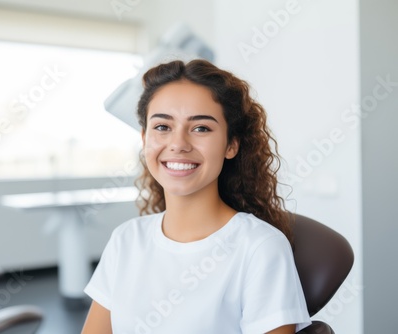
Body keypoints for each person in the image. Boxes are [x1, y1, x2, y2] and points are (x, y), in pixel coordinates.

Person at [81, 59, 311, 334]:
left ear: (231, 145)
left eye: (201, 128)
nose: (178, 144)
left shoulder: (259, 248)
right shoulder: (126, 240)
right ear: (144, 139)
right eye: (162, 127)